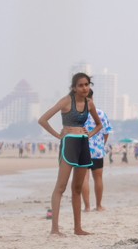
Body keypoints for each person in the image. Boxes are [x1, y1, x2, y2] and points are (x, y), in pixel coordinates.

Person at [38, 72, 102, 236]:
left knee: (78, 188)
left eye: (87, 84)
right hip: (69, 144)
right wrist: (58, 135)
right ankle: (54, 229)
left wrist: (90, 134)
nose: (84, 88)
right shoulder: (66, 101)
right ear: (74, 87)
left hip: (83, 144)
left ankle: (78, 228)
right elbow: (43, 119)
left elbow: (99, 125)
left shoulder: (90, 104)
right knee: (61, 186)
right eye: (80, 85)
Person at [81, 104, 112, 211]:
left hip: (83, 149)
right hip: (97, 151)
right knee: (98, 178)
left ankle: (87, 207)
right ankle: (99, 205)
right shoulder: (101, 113)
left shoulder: (79, 114)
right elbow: (107, 132)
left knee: (84, 178)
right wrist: (101, 144)